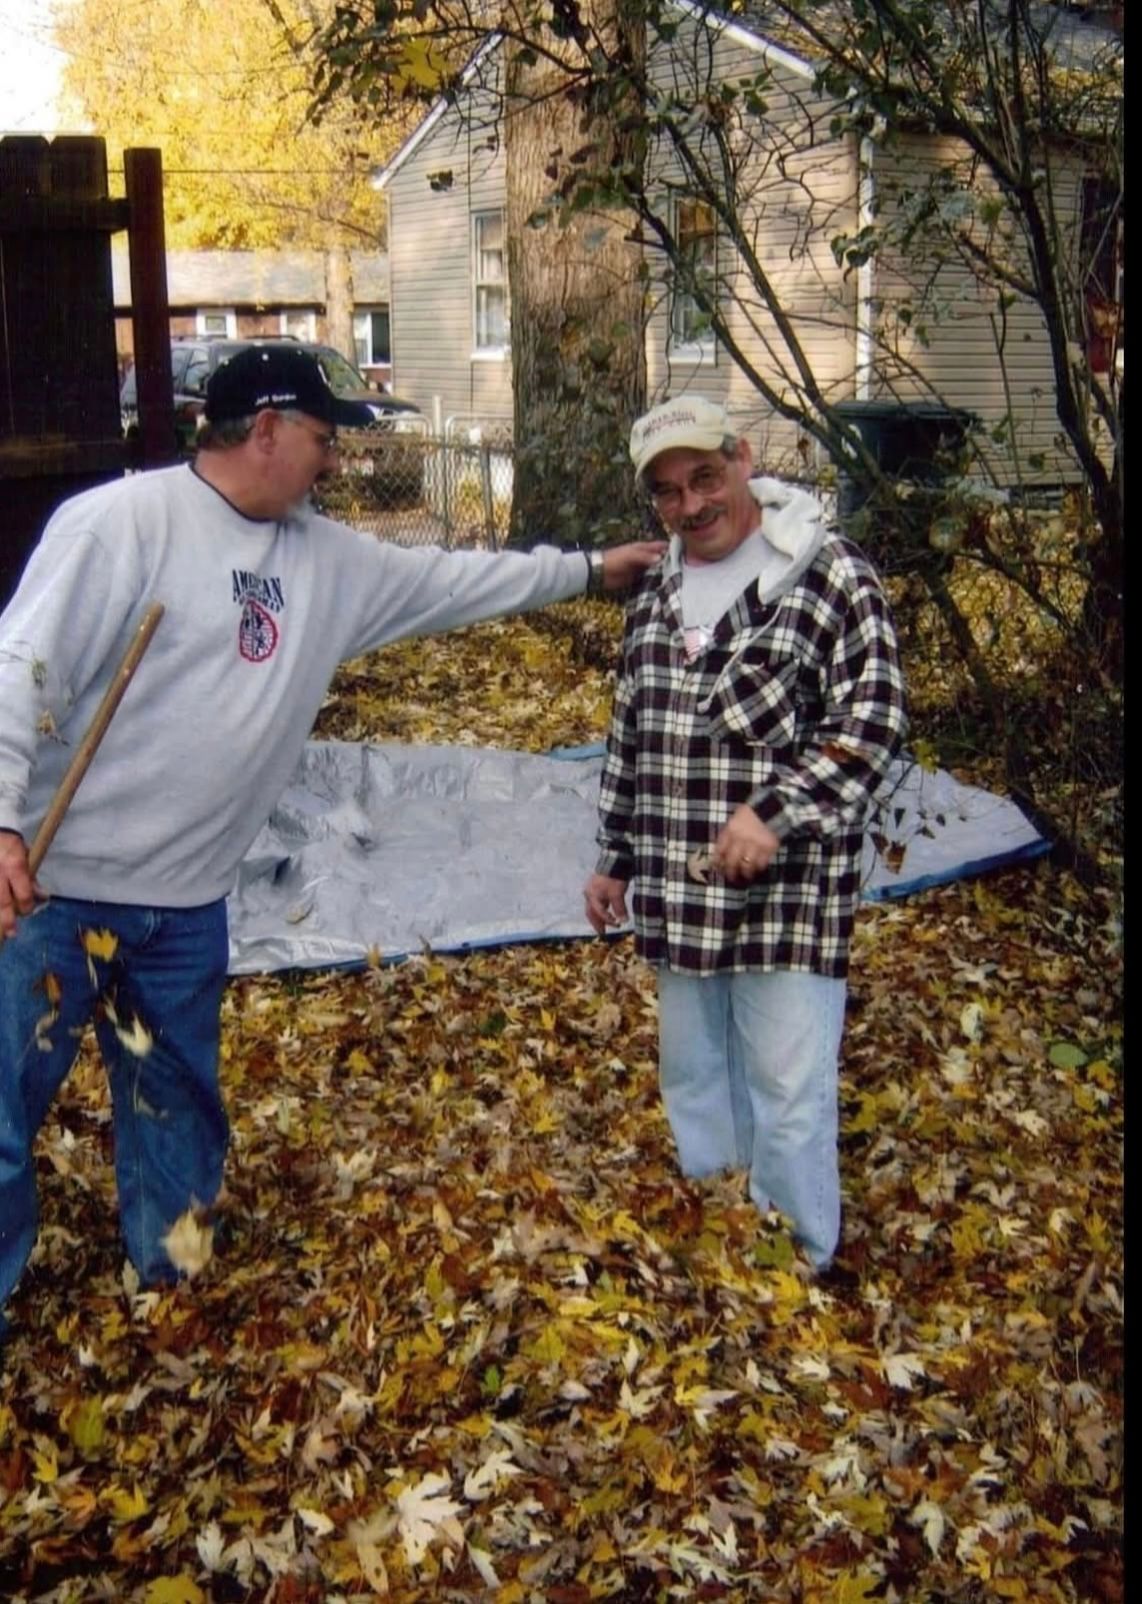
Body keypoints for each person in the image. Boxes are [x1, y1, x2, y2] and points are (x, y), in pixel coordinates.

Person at [0, 344, 664, 1331]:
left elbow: (452, 580)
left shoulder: (327, 561)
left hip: (184, 907)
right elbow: (20, 669)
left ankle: (174, 1287)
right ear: (266, 429)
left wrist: (588, 571)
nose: (337, 461)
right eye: (324, 438)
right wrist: (2, 823)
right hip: (57, 895)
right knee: (4, 1106)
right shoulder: (122, 524)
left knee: (176, 1104)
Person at [583, 395, 907, 1271]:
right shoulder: (658, 589)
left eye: (704, 478)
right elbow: (632, 731)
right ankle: (720, 1235)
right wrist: (614, 858)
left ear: (743, 461)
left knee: (787, 1089)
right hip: (678, 886)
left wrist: (775, 810)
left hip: (789, 899)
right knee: (694, 1074)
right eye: (667, 492)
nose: (690, 506)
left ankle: (795, 1262)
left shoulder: (826, 572)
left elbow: (874, 721)